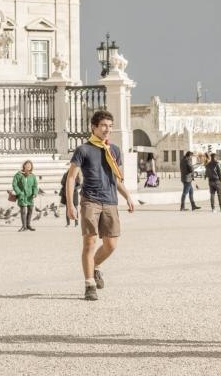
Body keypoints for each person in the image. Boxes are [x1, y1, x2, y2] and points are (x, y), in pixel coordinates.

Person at [64, 110, 135, 301]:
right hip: (90, 200)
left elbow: (116, 178)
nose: (107, 130)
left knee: (111, 245)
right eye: (104, 125)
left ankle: (93, 267)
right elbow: (71, 178)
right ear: (93, 127)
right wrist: (70, 204)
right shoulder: (83, 150)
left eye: (110, 126)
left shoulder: (115, 150)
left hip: (110, 200)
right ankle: (89, 284)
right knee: (90, 242)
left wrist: (127, 195)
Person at [12, 160, 38, 231]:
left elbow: (35, 186)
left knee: (30, 210)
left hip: (30, 195)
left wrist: (35, 193)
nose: (29, 166)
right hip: (22, 195)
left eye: (30, 165)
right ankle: (24, 226)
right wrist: (19, 192)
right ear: (24, 166)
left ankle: (28, 225)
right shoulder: (18, 175)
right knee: (23, 211)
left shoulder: (32, 176)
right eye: (27, 165)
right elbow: (14, 185)